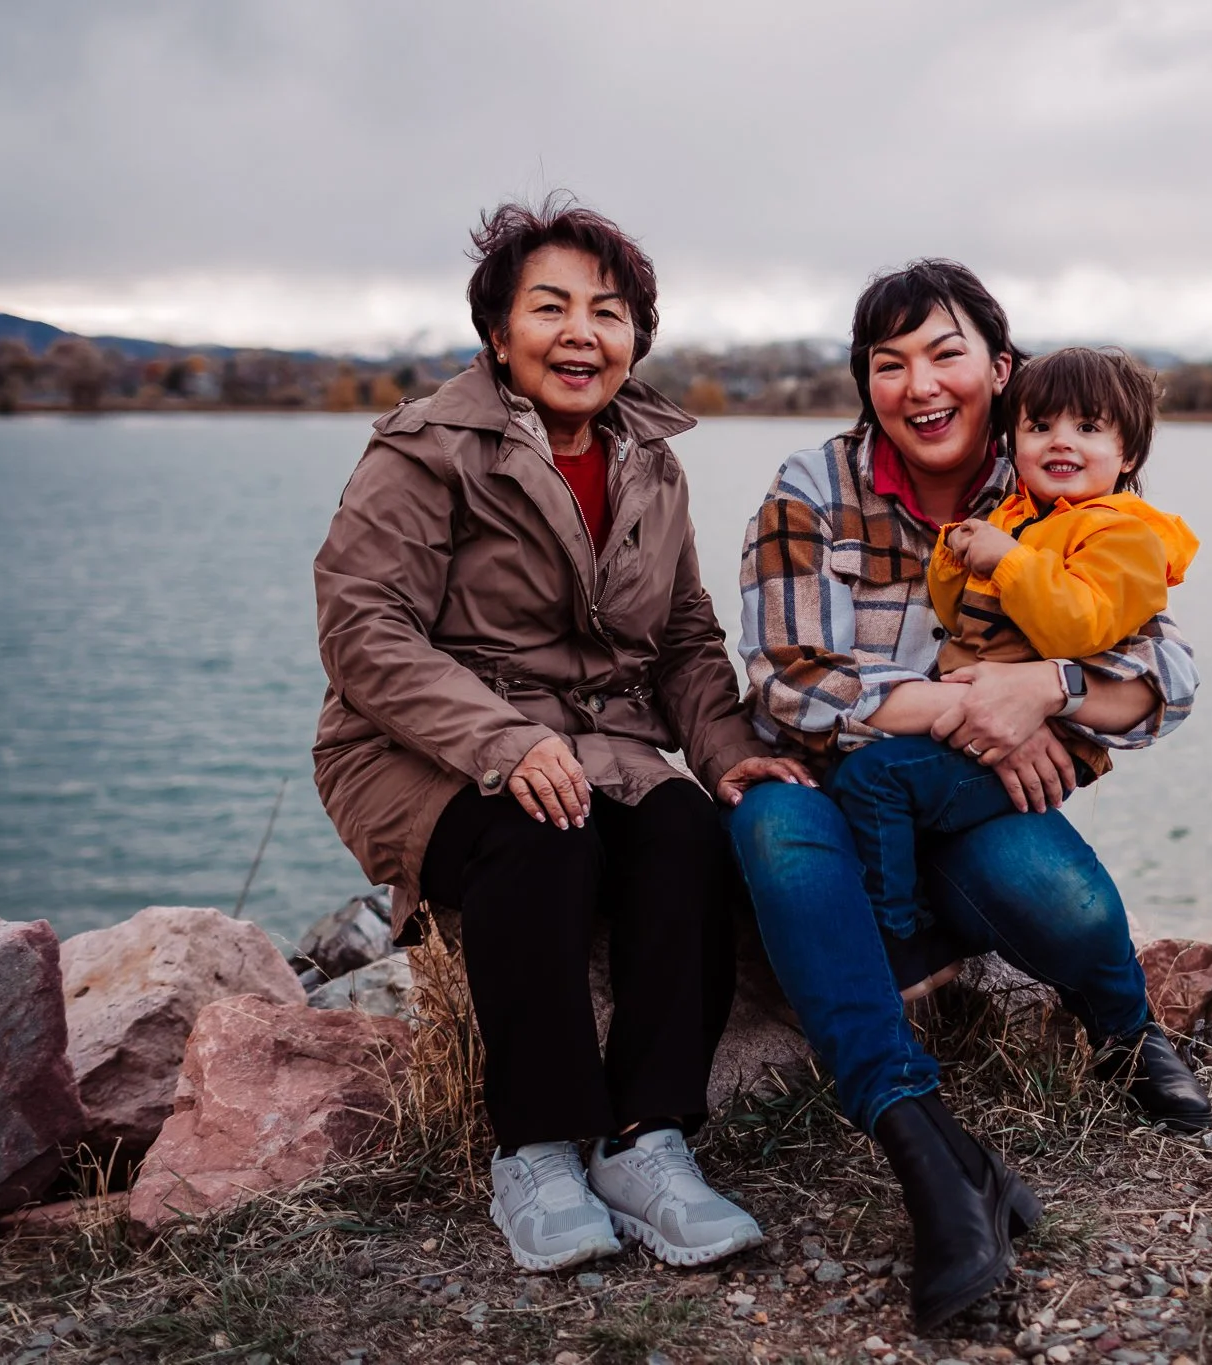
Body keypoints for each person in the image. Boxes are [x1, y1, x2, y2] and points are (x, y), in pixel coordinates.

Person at [312, 195, 810, 1273]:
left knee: (683, 828)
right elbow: (363, 631)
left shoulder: (651, 464)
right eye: (551, 308)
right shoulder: (423, 450)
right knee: (546, 834)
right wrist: (501, 744)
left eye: (609, 311)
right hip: (413, 750)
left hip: (600, 745)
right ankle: (534, 1149)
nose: (582, 333)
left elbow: (681, 640)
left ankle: (648, 1143)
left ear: (636, 339)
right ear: (499, 333)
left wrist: (725, 754)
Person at [729, 261, 1212, 1331]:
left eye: (945, 353)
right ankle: (929, 1157)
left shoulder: (1051, 483)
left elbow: (1166, 675)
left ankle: (1125, 1032)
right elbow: (787, 680)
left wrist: (1044, 688)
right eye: (887, 364)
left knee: (1067, 905)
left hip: (960, 805)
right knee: (773, 836)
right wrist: (966, 708)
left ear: (1000, 369)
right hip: (826, 789)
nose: (919, 384)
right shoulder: (812, 488)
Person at [826, 347, 1198, 988]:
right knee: (875, 784)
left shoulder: (1124, 536)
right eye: (1039, 426)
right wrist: (956, 552)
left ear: (1127, 454)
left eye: (1087, 428)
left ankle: (906, 941)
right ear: (1014, 438)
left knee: (872, 783)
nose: (1061, 443)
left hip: (1049, 745)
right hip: (974, 735)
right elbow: (956, 613)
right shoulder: (1022, 519)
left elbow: (1077, 624)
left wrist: (1007, 561)